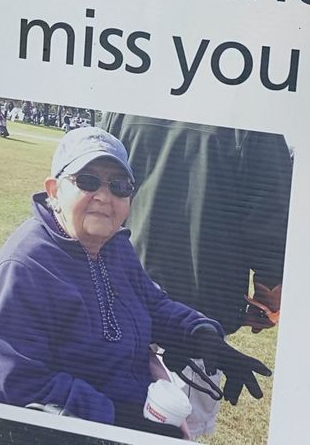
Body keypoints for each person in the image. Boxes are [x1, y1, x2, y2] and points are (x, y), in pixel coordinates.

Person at [0, 127, 271, 436]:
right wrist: (119, 419)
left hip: (135, 404)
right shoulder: (25, 267)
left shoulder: (114, 245)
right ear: (54, 190)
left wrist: (201, 334)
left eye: (119, 186)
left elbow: (153, 305)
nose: (104, 197)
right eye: (88, 181)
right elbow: (18, 383)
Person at [100, 114, 292, 437]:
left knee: (118, 422)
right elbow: (271, 216)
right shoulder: (251, 114)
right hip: (191, 313)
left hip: (124, 303)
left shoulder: (129, 101)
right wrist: (267, 298)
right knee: (176, 430)